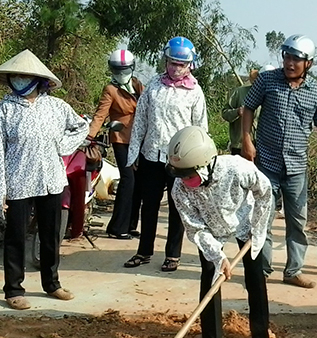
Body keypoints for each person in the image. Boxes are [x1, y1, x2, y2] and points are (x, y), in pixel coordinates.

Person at [167, 126, 274, 338]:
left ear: (206, 165)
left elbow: (265, 191)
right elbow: (194, 228)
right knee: (210, 278)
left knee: (256, 278)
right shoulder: (179, 188)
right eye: (181, 175)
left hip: (245, 222)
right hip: (210, 230)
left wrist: (258, 228)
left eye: (189, 175)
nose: (185, 181)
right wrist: (218, 255)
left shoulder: (237, 168)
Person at [241, 34, 317, 289]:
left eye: (296, 59)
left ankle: (293, 270)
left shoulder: (316, 91)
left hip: (297, 168)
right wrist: (246, 139)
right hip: (266, 163)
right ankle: (261, 271)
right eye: (286, 56)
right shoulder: (267, 80)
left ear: (308, 63)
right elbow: (249, 108)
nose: (289, 63)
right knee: (262, 217)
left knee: (297, 221)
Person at [0, 50, 88, 310]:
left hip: (51, 178)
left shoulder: (57, 107)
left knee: (50, 235)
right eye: (15, 75)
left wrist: (63, 145)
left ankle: (52, 283)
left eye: (24, 75)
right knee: (16, 236)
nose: (19, 79)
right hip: (18, 180)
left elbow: (81, 126)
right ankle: (14, 289)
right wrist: (1, 190)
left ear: (38, 80)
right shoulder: (5, 109)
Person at [124, 36, 208, 272]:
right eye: (171, 62)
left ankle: (173, 254)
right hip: (152, 154)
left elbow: (200, 128)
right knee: (148, 205)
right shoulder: (153, 86)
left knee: (177, 205)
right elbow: (140, 121)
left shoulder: (194, 92)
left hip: (180, 159)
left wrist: (199, 163)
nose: (175, 68)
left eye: (180, 64)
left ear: (190, 65)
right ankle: (144, 251)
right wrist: (133, 155)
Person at [89, 49, 144, 239]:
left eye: (125, 69)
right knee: (127, 180)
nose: (121, 73)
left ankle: (130, 225)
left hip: (139, 139)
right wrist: (89, 137)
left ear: (132, 67)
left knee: (138, 183)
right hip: (120, 139)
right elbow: (99, 115)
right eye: (117, 70)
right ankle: (116, 228)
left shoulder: (137, 84)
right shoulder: (110, 89)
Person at [222, 65, 275, 155]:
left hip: (263, 148)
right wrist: (237, 112)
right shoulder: (239, 92)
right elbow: (225, 113)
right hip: (240, 146)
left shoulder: (275, 98)